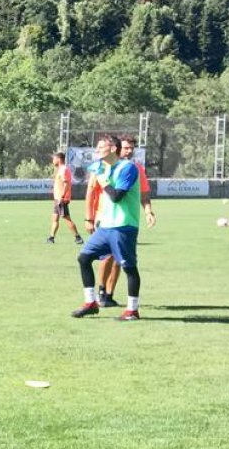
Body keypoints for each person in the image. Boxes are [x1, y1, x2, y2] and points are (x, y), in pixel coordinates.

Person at [73, 134, 144, 321]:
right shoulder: (105, 168)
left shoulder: (127, 168)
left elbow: (116, 196)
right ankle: (91, 303)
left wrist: (102, 178)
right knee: (84, 258)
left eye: (100, 147)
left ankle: (132, 310)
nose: (96, 151)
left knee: (129, 268)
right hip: (105, 227)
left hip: (123, 227)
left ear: (113, 149)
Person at [94, 135, 157, 307]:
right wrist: (89, 217)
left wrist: (148, 211)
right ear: (117, 148)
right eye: (126, 148)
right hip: (105, 218)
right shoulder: (103, 166)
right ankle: (100, 291)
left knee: (119, 259)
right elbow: (92, 192)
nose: (129, 151)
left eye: (132, 148)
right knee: (106, 257)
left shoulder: (135, 168)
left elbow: (144, 193)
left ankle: (108, 294)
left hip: (125, 220)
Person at [47, 152, 83, 245]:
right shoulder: (60, 169)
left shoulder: (63, 169)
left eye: (54, 158)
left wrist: (62, 197)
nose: (53, 160)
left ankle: (78, 238)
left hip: (61, 199)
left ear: (58, 159)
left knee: (66, 218)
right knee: (55, 218)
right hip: (58, 199)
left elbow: (66, 184)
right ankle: (51, 238)